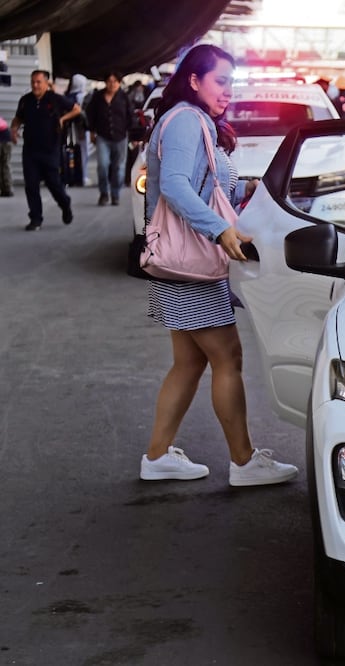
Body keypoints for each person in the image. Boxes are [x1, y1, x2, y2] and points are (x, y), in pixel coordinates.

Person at [139, 43, 297, 487]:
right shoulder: (187, 120)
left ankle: (157, 457)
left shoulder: (190, 121)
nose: (229, 91)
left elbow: (203, 185)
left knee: (189, 363)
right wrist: (219, 230)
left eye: (232, 82)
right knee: (227, 356)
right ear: (194, 80)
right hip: (192, 262)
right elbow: (173, 185)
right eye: (220, 81)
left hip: (180, 263)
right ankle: (245, 462)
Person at [10, 69, 81, 231]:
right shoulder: (25, 100)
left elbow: (77, 109)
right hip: (30, 150)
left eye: (38, 82)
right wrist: (14, 130)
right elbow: (18, 118)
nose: (35, 85)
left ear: (46, 83)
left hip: (50, 149)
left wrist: (62, 119)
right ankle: (35, 218)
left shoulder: (54, 99)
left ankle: (65, 204)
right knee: (31, 185)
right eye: (33, 82)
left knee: (54, 184)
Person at [85, 71, 137, 205]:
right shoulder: (97, 96)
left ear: (119, 83)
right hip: (103, 136)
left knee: (119, 168)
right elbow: (90, 115)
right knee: (102, 165)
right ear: (105, 82)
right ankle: (103, 193)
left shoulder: (124, 97)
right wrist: (91, 132)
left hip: (121, 137)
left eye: (115, 81)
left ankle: (115, 194)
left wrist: (133, 136)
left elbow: (131, 116)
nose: (112, 84)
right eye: (109, 81)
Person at [0, 113, 12, 196]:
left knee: (3, 165)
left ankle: (6, 189)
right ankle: (7, 189)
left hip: (3, 141)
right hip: (7, 141)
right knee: (5, 165)